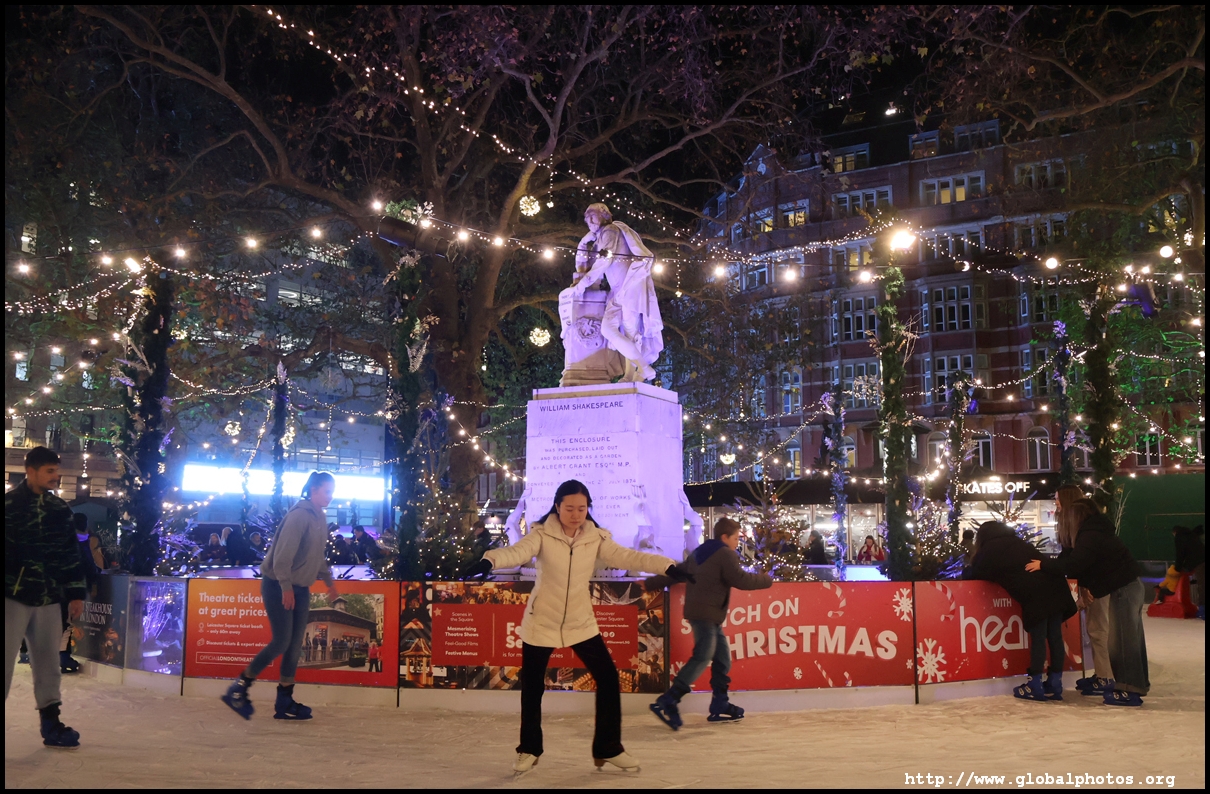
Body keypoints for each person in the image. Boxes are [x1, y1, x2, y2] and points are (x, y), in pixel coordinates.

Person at [464, 479, 684, 775]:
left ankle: (608, 747)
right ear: (558, 506)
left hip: (581, 622)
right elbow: (517, 552)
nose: (576, 514)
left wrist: (667, 565)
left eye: (581, 508)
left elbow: (629, 556)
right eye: (569, 508)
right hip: (542, 622)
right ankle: (529, 748)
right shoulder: (541, 534)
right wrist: (489, 561)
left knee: (608, 678)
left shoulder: (595, 538)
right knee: (532, 688)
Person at [222, 471, 340, 721]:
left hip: (300, 587)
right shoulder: (299, 516)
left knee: (295, 645)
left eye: (332, 492)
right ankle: (238, 688)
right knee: (282, 641)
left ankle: (284, 699)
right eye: (327, 491)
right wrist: (286, 586)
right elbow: (282, 556)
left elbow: (317, 556)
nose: (331, 496)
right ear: (314, 490)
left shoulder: (319, 517)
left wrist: (329, 583)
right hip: (278, 584)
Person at [646, 517, 773, 730]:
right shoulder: (725, 554)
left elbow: (678, 572)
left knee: (723, 659)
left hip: (705, 614)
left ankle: (720, 703)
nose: (737, 543)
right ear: (725, 537)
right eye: (735, 538)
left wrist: (650, 583)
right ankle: (669, 699)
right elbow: (740, 579)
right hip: (706, 614)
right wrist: (767, 579)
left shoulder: (701, 551)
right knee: (703, 655)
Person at [1027, 497, 1148, 706]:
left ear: (1074, 518)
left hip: (1124, 589)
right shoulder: (1095, 531)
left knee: (1123, 641)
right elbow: (1081, 563)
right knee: (1130, 639)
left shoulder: (1090, 534)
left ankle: (1129, 690)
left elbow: (1075, 564)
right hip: (1126, 586)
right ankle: (1134, 686)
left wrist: (1043, 565)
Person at [5, 446, 87, 747]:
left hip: (49, 596)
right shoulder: (9, 505)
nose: (56, 476)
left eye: (56, 471)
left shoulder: (59, 510)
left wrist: (75, 593)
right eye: (50, 471)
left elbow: (69, 554)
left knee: (49, 663)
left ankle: (52, 724)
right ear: (31, 471)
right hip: (11, 596)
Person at [965, 521, 1076, 701]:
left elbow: (977, 573)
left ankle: (1035, 684)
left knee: (1039, 637)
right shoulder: (1018, 543)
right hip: (1056, 588)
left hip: (1036, 594)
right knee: (1055, 636)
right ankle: (1055, 683)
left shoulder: (989, 550)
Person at [1173, 524, 1205, 620]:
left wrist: (1177, 569)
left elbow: (1180, 554)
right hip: (1202, 559)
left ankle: (1203, 610)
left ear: (1174, 532)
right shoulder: (1191, 535)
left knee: (1202, 586)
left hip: (1200, 562)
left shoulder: (1179, 537)